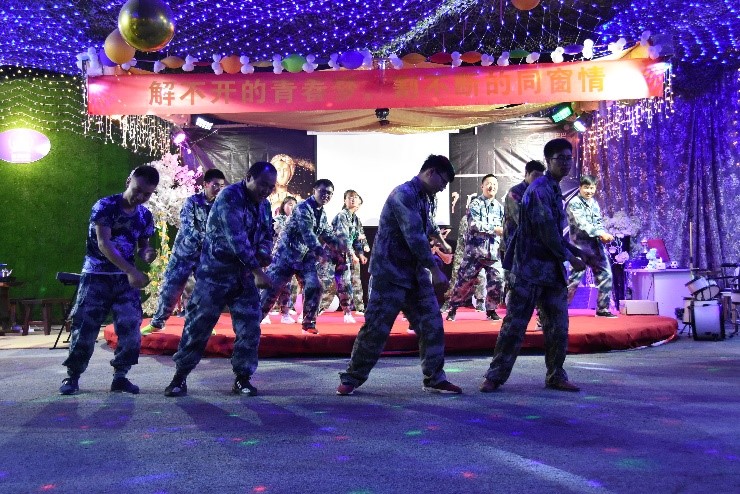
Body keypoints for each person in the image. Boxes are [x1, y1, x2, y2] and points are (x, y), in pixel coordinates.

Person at [337, 155, 462, 395]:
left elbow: (428, 225)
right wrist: (435, 269)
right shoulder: (403, 194)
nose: (443, 187)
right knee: (376, 328)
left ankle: (435, 378)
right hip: (389, 273)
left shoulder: (426, 197)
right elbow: (414, 235)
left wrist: (441, 241)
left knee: (432, 324)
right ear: (431, 172)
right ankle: (352, 377)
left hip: (414, 275)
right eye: (443, 182)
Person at [479, 138, 587, 393]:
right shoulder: (539, 189)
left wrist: (574, 250)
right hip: (529, 269)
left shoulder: (554, 189)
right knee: (515, 325)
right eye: (560, 159)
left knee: (558, 326)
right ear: (548, 161)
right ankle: (494, 376)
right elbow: (545, 231)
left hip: (551, 272)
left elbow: (556, 233)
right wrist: (569, 257)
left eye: (569, 158)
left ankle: (556, 375)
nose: (566, 163)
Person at [163, 162, 276, 398]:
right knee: (198, 327)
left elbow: (267, 233)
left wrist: (264, 252)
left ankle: (242, 378)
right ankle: (179, 377)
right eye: (263, 184)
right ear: (248, 177)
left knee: (249, 328)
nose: (266, 190)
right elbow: (236, 239)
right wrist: (258, 271)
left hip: (244, 277)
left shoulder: (264, 205)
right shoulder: (229, 197)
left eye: (271, 187)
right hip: (214, 275)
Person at [59, 165, 159, 395]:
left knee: (131, 329)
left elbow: (143, 246)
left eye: (147, 194)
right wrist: (131, 271)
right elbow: (104, 244)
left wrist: (147, 254)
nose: (141, 197)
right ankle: (72, 377)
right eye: (138, 190)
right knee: (85, 329)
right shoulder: (105, 206)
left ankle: (120, 376)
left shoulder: (145, 215)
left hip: (124, 282)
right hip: (96, 277)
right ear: (128, 182)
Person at [141, 169, 227, 335]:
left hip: (205, 256)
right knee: (171, 288)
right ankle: (157, 323)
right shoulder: (192, 202)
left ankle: (201, 325)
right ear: (206, 184)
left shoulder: (221, 206)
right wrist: (208, 239)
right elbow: (188, 228)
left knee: (205, 290)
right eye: (215, 185)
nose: (218, 189)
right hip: (183, 253)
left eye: (222, 186)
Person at [260, 179, 345, 334]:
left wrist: (340, 246)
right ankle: (252, 322)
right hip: (286, 255)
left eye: (329, 193)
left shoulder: (322, 214)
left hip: (305, 257)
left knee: (315, 286)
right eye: (323, 191)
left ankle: (308, 324)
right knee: (271, 291)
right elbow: (308, 233)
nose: (326, 195)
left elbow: (327, 233)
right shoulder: (302, 208)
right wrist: (320, 252)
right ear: (314, 191)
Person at [445, 174, 505, 321]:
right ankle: (453, 308)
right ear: (482, 186)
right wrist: (494, 229)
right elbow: (474, 225)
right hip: (475, 253)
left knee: (498, 280)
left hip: (492, 253)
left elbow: (503, 228)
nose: (491, 187)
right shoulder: (475, 204)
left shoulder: (499, 208)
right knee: (463, 283)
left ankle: (491, 310)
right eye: (488, 183)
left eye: (494, 184)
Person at [566, 174, 616, 318]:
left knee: (606, 275)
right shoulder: (574, 203)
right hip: (579, 248)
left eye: (592, 188)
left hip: (595, 247)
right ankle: (558, 311)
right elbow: (582, 224)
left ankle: (602, 309)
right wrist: (600, 234)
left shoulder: (594, 203)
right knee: (573, 282)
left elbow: (598, 222)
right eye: (586, 188)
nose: (589, 191)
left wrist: (603, 234)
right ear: (580, 188)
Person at [319, 189, 369, 323]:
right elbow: (343, 237)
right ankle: (311, 312)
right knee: (326, 284)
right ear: (345, 201)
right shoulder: (342, 215)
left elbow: (356, 239)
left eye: (355, 197)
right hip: (331, 255)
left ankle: (347, 313)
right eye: (350, 197)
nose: (353, 199)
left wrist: (360, 253)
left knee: (345, 284)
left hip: (343, 256)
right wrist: (352, 254)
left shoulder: (355, 219)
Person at [263, 195, 300, 324]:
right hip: (275, 258)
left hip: (290, 259)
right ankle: (264, 314)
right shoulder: (277, 220)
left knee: (287, 288)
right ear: (283, 206)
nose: (292, 207)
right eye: (289, 204)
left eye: (294, 204)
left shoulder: (297, 221)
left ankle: (285, 314)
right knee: (270, 286)